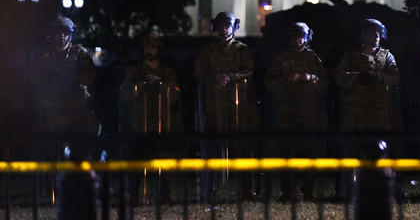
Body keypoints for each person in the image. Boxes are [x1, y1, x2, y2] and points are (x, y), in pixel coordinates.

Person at [28, 15, 98, 219]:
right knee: (52, 153)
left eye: (65, 32)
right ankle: (49, 192)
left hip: (75, 111)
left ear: (70, 34)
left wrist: (78, 79)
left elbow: (90, 75)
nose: (61, 36)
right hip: (51, 111)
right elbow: (33, 78)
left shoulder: (80, 53)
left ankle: (76, 191)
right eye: (58, 32)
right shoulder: (43, 54)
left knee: (78, 153)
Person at [194, 12, 260, 199]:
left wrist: (231, 77)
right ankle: (211, 191)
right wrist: (213, 78)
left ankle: (246, 190)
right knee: (213, 149)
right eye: (221, 25)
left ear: (234, 26)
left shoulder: (242, 49)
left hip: (238, 107)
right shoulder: (208, 50)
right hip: (215, 107)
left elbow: (249, 70)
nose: (224, 28)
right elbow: (199, 72)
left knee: (242, 149)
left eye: (227, 25)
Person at [119, 32, 183, 205]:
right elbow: (125, 93)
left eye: (153, 47)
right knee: (137, 161)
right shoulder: (135, 70)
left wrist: (161, 84)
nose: (149, 50)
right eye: (146, 46)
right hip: (140, 123)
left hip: (162, 122)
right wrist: (140, 86)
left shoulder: (167, 70)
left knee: (164, 160)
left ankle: (165, 195)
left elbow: (176, 93)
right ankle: (134, 196)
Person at [266, 22, 327, 200]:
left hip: (309, 114)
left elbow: (325, 84)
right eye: (294, 36)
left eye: (301, 36)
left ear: (307, 38)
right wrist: (286, 80)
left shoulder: (314, 59)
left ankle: (308, 190)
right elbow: (269, 83)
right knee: (287, 153)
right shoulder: (282, 58)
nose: (298, 40)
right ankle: (287, 191)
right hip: (286, 113)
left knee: (308, 153)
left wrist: (310, 78)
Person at [335, 18, 401, 131]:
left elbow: (395, 78)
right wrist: (358, 76)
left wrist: (377, 76)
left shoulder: (387, 56)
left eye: (378, 33)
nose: (376, 36)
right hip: (356, 112)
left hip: (380, 112)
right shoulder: (351, 56)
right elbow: (339, 76)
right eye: (372, 33)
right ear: (363, 35)